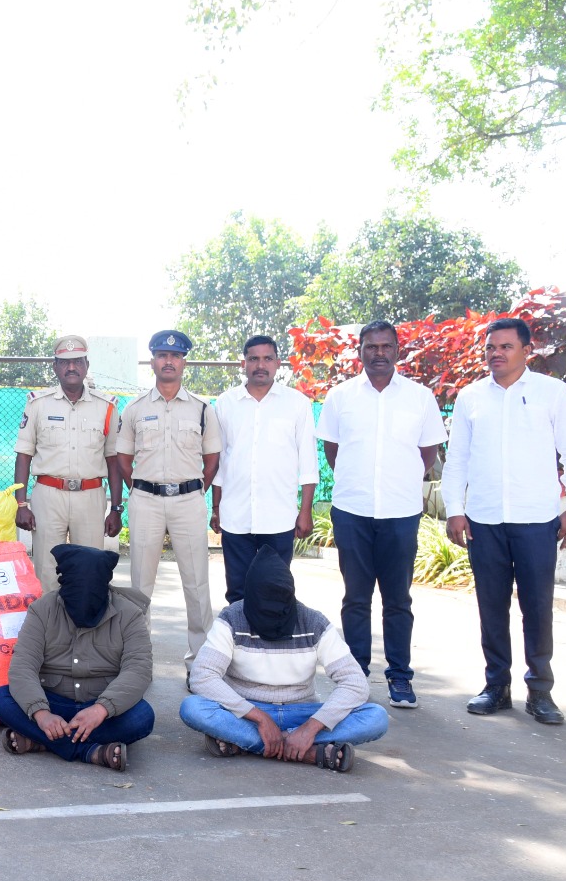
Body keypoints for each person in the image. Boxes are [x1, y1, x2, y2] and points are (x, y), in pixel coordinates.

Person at [442, 317, 566, 725]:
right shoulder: (472, 397)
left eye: (506, 346)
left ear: (527, 350)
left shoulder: (552, 393)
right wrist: (455, 509)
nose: (496, 353)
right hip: (484, 520)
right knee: (491, 607)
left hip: (537, 520)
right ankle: (496, 687)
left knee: (537, 607)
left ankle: (540, 692)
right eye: (491, 347)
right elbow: (457, 461)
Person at [316, 320, 446, 710]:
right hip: (352, 510)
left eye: (386, 346)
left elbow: (427, 455)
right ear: (360, 351)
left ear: (397, 349)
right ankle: (355, 678)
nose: (379, 353)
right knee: (355, 598)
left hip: (400, 512)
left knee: (397, 599)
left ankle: (400, 678)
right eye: (371, 347)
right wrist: (359, 483)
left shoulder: (420, 398)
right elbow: (333, 451)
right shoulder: (341, 397)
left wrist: (399, 482)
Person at [180, 546, 389, 772]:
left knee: (375, 717)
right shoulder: (232, 618)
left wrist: (311, 727)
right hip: (247, 712)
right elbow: (202, 676)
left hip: (301, 712)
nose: (271, 612)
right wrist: (260, 718)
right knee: (193, 708)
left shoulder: (313, 622)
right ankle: (309, 752)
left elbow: (355, 682)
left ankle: (249, 742)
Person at [0, 544, 153, 771]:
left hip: (102, 709)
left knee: (142, 716)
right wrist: (42, 714)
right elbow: (23, 666)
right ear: (64, 585)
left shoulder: (130, 614)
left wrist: (101, 709)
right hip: (52, 702)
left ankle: (44, 742)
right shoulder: (42, 610)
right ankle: (89, 751)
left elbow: (138, 670)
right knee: (0, 699)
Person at [114, 330, 221, 679]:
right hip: (145, 500)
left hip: (189, 500)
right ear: (153, 361)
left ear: (184, 361)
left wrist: (192, 488)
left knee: (197, 584)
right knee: (140, 585)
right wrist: (143, 489)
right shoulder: (134, 409)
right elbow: (123, 459)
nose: (168, 361)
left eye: (175, 356)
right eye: (161, 355)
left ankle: (200, 665)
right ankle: (139, 665)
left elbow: (212, 458)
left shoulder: (203, 409)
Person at [210, 334, 318, 603]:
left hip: (279, 517)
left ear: (278, 363)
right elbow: (219, 461)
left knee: (276, 591)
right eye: (253, 358)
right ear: (243, 364)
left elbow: (308, 462)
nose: (261, 365)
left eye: (267, 358)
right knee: (237, 591)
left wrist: (305, 512)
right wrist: (216, 508)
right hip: (235, 515)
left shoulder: (297, 403)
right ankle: (239, 643)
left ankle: (273, 645)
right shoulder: (225, 403)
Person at [13, 334, 123, 591]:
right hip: (48, 496)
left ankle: (87, 631)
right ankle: (51, 631)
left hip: (91, 496)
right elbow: (24, 455)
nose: (71, 367)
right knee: (46, 572)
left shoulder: (106, 407)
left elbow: (114, 460)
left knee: (90, 570)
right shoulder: (37, 404)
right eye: (64, 362)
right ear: (55, 366)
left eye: (77, 361)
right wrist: (21, 503)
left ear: (86, 365)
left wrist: (116, 509)